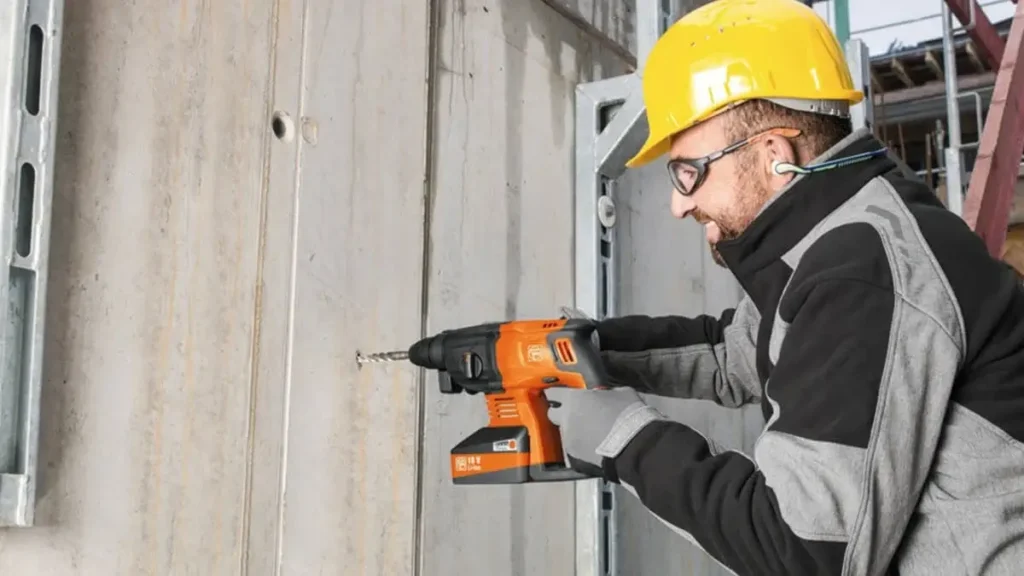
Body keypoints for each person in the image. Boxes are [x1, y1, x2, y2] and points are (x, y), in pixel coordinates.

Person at [545, 0, 1024, 574]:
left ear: (774, 155)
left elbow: (802, 549)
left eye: (687, 173)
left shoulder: (862, 269)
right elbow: (735, 355)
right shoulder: (841, 233)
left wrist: (624, 438)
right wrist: (594, 348)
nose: (678, 205)